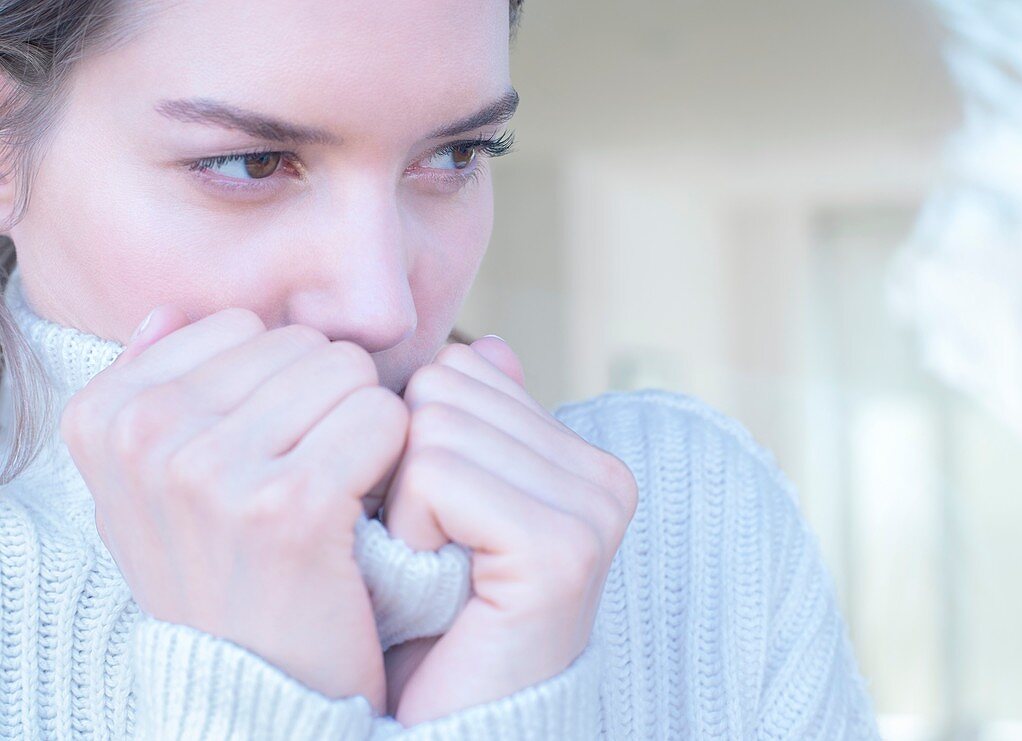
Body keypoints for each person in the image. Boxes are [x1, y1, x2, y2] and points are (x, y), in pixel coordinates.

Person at [0, 0, 881, 737]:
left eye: (456, 155)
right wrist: (265, 689)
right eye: (249, 163)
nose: (381, 306)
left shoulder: (687, 525)